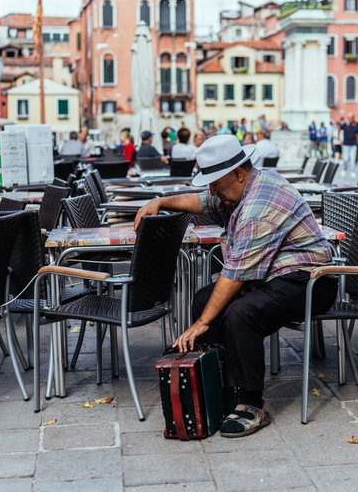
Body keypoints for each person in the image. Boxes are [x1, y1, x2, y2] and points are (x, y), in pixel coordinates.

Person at [133, 134, 337, 437]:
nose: (212, 191)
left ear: (238, 173)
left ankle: (252, 404)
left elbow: (235, 274)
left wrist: (201, 324)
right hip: (272, 275)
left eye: (215, 183)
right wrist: (160, 202)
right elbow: (202, 202)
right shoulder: (242, 185)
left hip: (310, 280)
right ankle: (225, 385)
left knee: (241, 313)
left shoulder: (258, 206)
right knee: (205, 300)